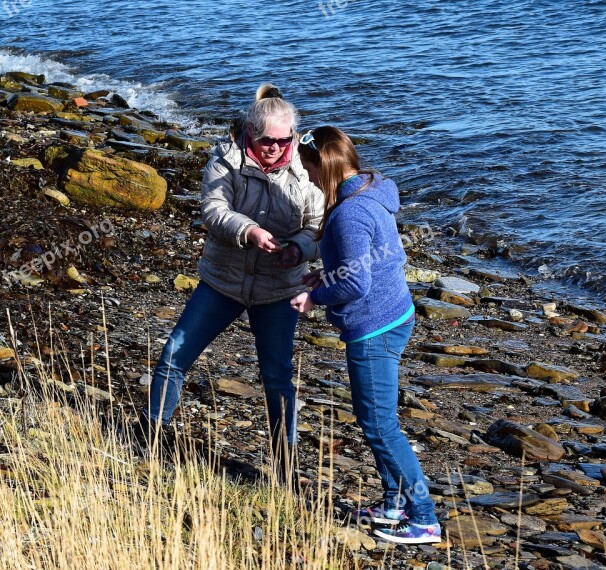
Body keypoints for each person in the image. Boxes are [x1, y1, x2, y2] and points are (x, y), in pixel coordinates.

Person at [143, 84, 324, 484]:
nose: (276, 148)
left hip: (278, 290)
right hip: (222, 283)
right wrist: (250, 232)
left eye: (284, 140)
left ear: (293, 136)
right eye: (267, 141)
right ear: (250, 133)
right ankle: (151, 437)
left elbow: (317, 228)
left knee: (277, 377)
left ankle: (285, 469)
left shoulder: (308, 172)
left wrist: (298, 248)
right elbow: (212, 210)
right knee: (174, 354)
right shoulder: (224, 161)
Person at [290, 127, 441, 545]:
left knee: (379, 426)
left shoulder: (349, 213)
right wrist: (327, 272)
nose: (309, 179)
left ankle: (424, 517)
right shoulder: (373, 192)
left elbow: (355, 286)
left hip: (374, 326)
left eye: (309, 170)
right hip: (397, 312)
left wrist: (314, 297)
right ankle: (393, 502)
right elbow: (378, 257)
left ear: (326, 166)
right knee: (375, 419)